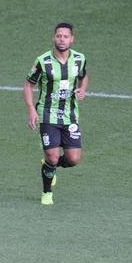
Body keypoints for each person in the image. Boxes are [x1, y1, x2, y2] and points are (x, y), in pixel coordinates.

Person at [23, 22, 88, 205]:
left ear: (72, 39)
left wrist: (83, 89)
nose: (62, 39)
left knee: (73, 159)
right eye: (59, 36)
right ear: (54, 37)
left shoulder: (79, 59)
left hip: (70, 116)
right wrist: (31, 109)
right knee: (52, 155)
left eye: (65, 36)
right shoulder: (43, 61)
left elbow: (83, 76)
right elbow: (28, 84)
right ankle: (47, 192)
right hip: (47, 114)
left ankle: (49, 167)